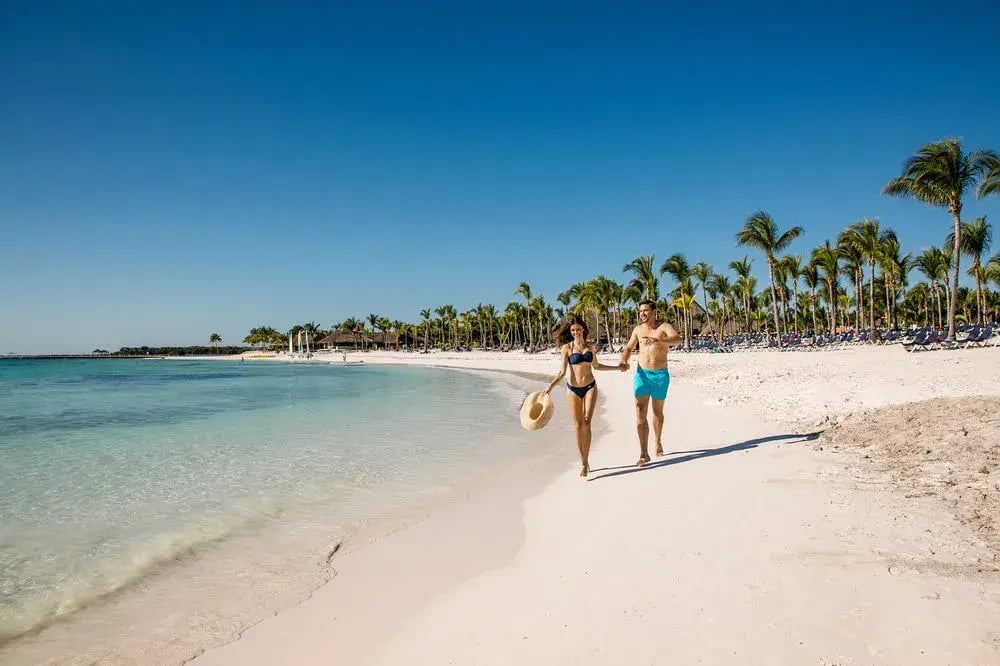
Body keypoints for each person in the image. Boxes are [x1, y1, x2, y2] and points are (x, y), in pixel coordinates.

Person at [544, 316, 620, 477]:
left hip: (590, 386)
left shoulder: (590, 347)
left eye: (578, 329)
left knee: (587, 421)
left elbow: (597, 366)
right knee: (578, 425)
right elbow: (562, 372)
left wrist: (617, 368)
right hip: (573, 389)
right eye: (573, 330)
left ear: (583, 330)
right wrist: (550, 387)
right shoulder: (567, 348)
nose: (576, 332)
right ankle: (583, 462)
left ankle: (586, 458)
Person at [619, 300, 682, 466]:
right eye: (640, 311)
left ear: (654, 312)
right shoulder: (638, 330)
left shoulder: (664, 327)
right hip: (642, 374)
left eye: (645, 311)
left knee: (657, 413)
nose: (642, 314)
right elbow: (629, 347)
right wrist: (624, 358)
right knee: (640, 411)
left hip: (660, 375)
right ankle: (644, 453)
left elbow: (677, 339)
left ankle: (658, 440)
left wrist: (659, 341)